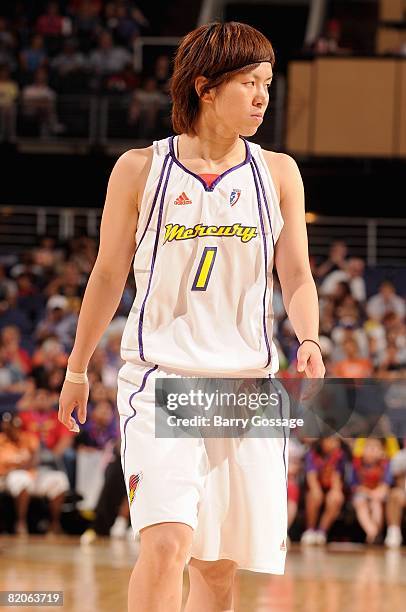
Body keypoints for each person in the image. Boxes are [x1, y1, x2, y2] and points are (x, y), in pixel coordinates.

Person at [58, 21, 325, 612]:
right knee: (166, 545)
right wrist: (77, 369)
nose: (262, 97)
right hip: (162, 382)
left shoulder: (278, 173)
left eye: (267, 84)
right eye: (250, 83)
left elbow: (299, 276)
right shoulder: (139, 169)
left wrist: (309, 337)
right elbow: (106, 276)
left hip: (244, 390)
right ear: (205, 87)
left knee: (218, 567)